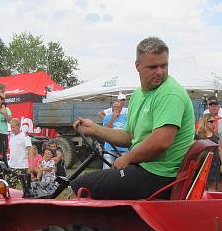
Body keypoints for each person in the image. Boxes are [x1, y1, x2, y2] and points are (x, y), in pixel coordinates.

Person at [71, 37, 195, 199]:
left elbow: (161, 141)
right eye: (153, 67)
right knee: (91, 182)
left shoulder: (169, 93)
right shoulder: (138, 95)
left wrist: (128, 158)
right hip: (145, 170)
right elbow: (129, 136)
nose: (160, 72)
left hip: (161, 176)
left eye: (164, 65)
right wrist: (95, 129)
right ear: (138, 66)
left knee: (80, 185)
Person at [195, 114, 222, 191]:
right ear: (205, 122)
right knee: (201, 187)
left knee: (212, 187)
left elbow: (220, 150)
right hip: (202, 163)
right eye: (211, 121)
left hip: (214, 163)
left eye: (214, 121)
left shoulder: (215, 136)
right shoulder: (198, 136)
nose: (213, 123)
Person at [101, 98, 129, 167]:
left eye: (118, 107)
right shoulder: (107, 117)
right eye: (114, 107)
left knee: (124, 169)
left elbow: (128, 131)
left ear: (121, 108)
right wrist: (113, 118)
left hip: (123, 148)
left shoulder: (126, 118)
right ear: (112, 108)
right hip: (110, 148)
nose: (116, 108)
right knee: (107, 167)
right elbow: (105, 131)